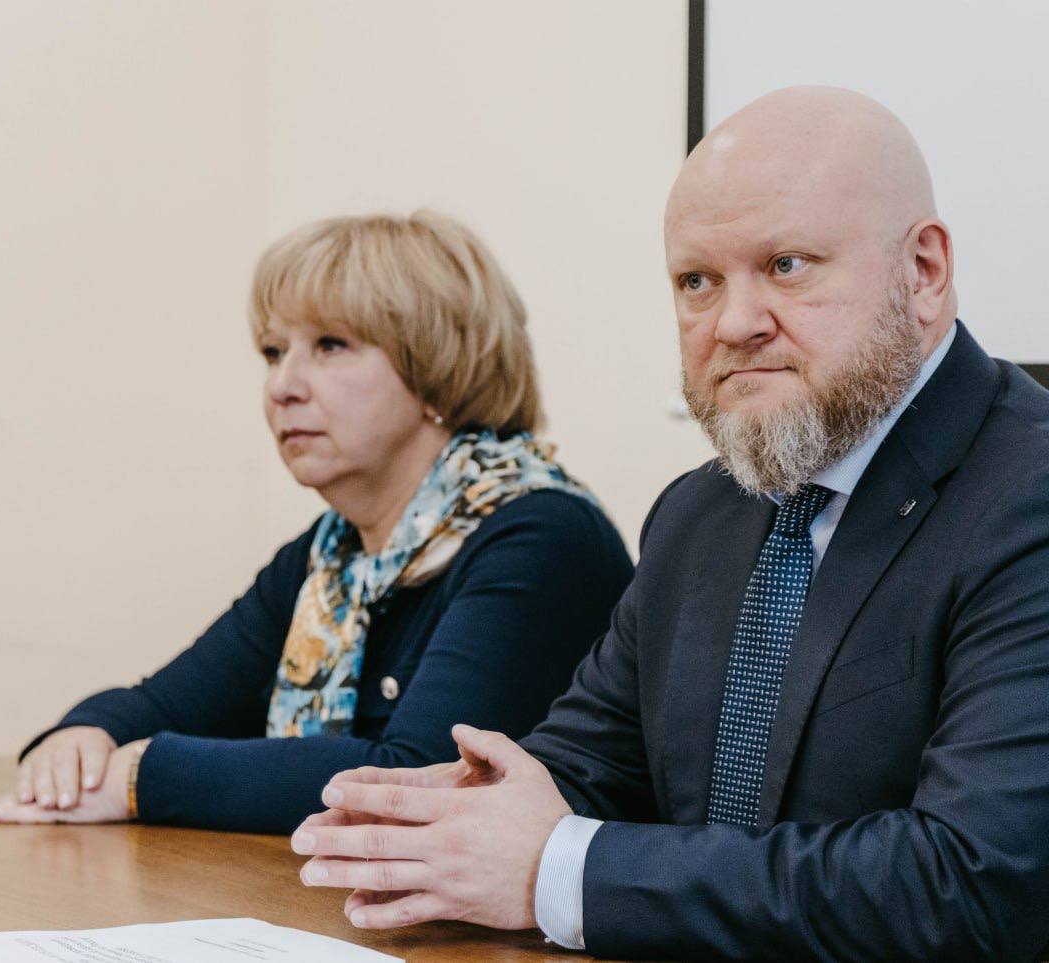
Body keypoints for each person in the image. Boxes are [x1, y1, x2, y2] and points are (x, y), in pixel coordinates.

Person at [292, 88, 1049, 961]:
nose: (734, 323)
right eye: (697, 282)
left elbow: (976, 881)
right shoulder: (700, 509)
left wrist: (558, 868)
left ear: (923, 271)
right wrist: (446, 820)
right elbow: (589, 771)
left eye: (788, 265)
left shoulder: (1027, 494)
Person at [0, 211, 632, 834]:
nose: (282, 385)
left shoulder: (541, 536)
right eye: (272, 351)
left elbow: (414, 779)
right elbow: (164, 705)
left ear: (438, 372)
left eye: (330, 345)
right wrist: (81, 737)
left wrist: (139, 774)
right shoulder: (332, 558)